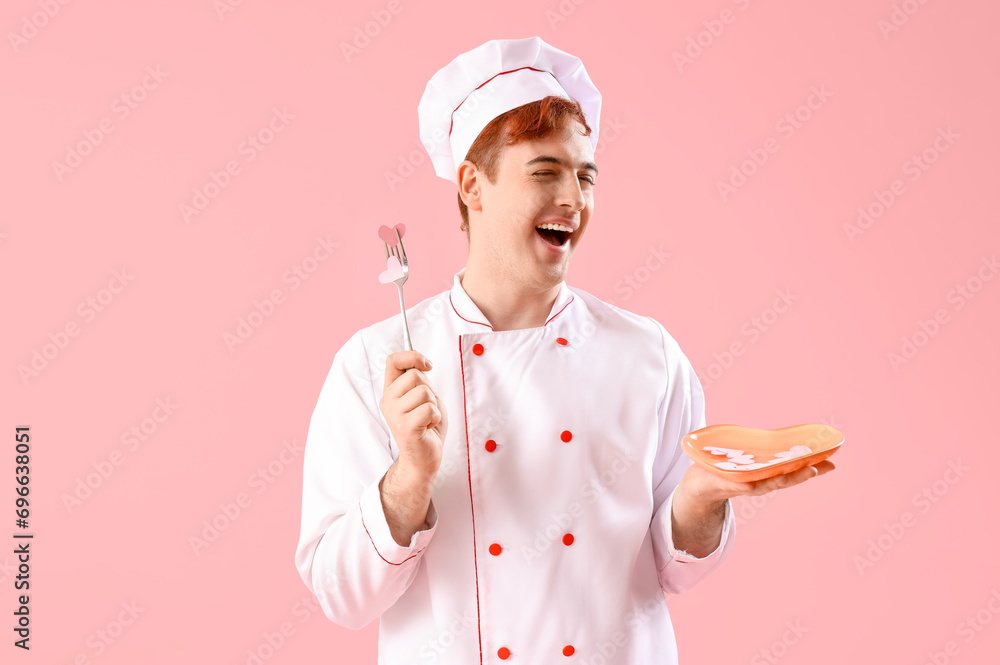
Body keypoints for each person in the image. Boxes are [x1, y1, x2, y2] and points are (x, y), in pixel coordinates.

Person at [294, 36, 835, 664]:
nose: (574, 200)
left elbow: (676, 570)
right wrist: (409, 479)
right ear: (472, 183)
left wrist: (701, 497)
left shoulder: (647, 355)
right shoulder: (380, 364)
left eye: (586, 176)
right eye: (545, 172)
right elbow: (341, 597)